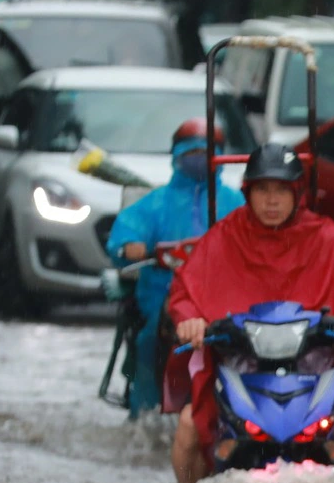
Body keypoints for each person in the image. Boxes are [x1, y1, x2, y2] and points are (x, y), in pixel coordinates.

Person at [164, 144, 334, 483]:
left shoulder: (326, 237)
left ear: (296, 193)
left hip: (314, 367)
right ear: (248, 192)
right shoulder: (224, 236)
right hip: (240, 366)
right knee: (188, 427)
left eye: (281, 190)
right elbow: (185, 290)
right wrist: (189, 319)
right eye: (263, 190)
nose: (272, 201)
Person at [104, 118, 245, 415]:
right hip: (162, 297)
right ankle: (146, 409)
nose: (198, 160)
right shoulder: (156, 202)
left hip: (223, 297)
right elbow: (126, 232)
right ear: (177, 156)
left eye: (205, 153)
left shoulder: (236, 202)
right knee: (150, 341)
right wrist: (131, 245)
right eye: (191, 153)